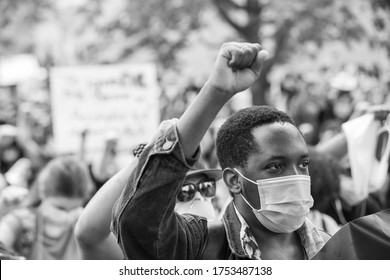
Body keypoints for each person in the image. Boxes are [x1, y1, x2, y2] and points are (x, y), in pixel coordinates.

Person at [111, 42, 329, 260]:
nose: (296, 177)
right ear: (234, 180)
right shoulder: (201, 249)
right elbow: (138, 225)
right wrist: (215, 92)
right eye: (275, 166)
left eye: (303, 164)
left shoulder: (336, 248)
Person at [75, 148, 222, 259]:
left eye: (206, 187)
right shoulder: (137, 252)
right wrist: (144, 162)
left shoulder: (229, 242)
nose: (197, 196)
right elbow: (88, 234)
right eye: (183, 191)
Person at [0, 156, 93, 259]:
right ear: (43, 193)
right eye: (60, 208)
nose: (67, 214)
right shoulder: (20, 221)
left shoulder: (83, 227)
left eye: (74, 208)